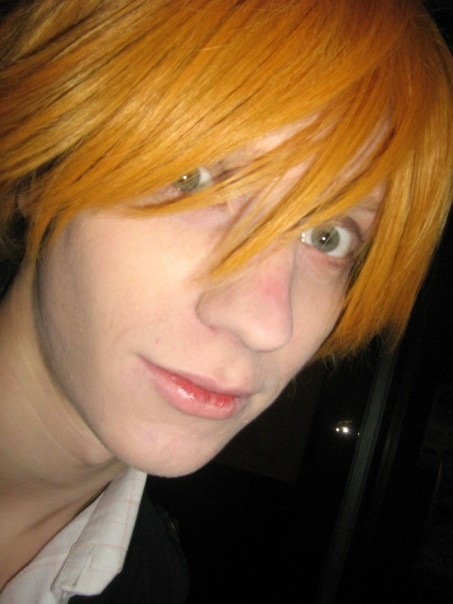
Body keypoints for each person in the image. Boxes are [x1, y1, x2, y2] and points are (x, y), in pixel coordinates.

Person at [0, 0, 452, 601]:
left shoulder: (155, 586)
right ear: (42, 170)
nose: (265, 322)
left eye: (328, 236)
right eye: (193, 179)